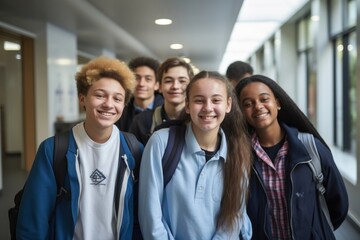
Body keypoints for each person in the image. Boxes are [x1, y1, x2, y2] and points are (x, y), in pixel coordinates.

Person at [16, 56, 143, 239]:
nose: (108, 104)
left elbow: (142, 213)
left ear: (124, 104)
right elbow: (33, 219)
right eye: (99, 95)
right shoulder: (53, 150)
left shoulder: (134, 150)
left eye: (117, 98)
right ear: (82, 98)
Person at [138, 71, 252, 239]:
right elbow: (150, 215)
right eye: (199, 100)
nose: (207, 107)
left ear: (228, 105)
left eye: (216, 100)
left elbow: (234, 217)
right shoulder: (161, 142)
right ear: (187, 105)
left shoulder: (237, 152)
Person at [234, 74, 349, 239]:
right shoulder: (240, 155)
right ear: (241, 112)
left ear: (278, 103)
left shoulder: (311, 147)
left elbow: (339, 204)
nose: (258, 106)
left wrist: (317, 230)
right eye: (248, 104)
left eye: (264, 99)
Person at [129, 57, 194, 145]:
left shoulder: (197, 119)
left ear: (191, 87)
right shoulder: (142, 121)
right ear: (159, 86)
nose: (175, 86)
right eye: (168, 81)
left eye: (182, 81)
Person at [115, 56, 163, 131]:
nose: (141, 84)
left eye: (148, 79)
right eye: (136, 78)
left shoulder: (165, 109)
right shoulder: (120, 109)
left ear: (156, 85)